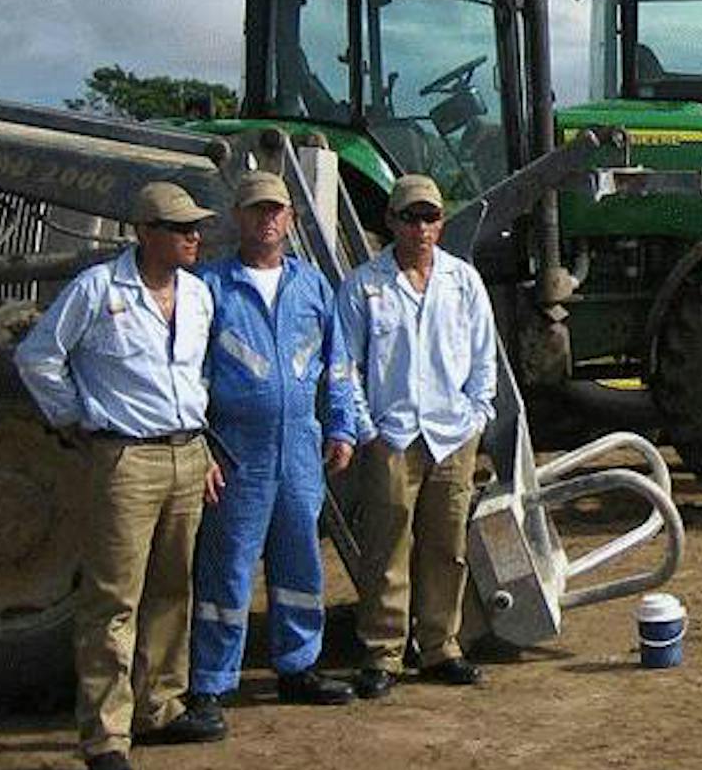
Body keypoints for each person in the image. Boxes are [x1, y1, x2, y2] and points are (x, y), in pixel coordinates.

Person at [13, 182, 225, 770]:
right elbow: (37, 357)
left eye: (195, 227)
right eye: (179, 228)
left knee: (172, 588)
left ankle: (160, 705)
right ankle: (106, 737)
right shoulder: (98, 290)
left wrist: (203, 449)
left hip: (186, 453)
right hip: (126, 458)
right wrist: (75, 415)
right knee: (113, 600)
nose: (194, 237)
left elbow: (196, 376)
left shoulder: (198, 295)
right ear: (144, 233)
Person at [189, 172, 363, 720]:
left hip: (300, 452)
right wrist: (200, 448)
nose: (267, 219)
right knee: (228, 566)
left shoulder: (311, 285)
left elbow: (337, 364)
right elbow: (188, 375)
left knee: (300, 562)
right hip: (237, 453)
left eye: (275, 210)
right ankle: (212, 682)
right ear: (237, 217)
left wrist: (342, 426)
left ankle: (298, 665)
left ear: (290, 218)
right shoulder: (210, 287)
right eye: (256, 210)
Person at [339, 174, 497, 697]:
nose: (421, 227)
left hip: (452, 435)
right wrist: (367, 428)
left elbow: (483, 357)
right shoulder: (364, 285)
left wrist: (476, 416)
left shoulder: (463, 282)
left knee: (447, 546)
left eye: (430, 217)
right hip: (393, 436)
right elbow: (346, 365)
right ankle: (383, 652)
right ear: (391, 222)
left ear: (442, 223)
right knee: (386, 546)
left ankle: (439, 645)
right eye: (411, 217)